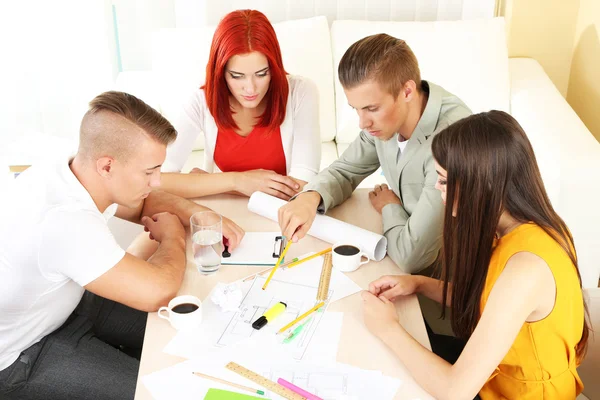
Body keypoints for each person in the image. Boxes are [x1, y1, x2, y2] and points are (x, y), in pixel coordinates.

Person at [0, 91, 242, 399]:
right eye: (149, 172)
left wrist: (196, 213)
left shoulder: (72, 169)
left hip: (71, 303)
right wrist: (173, 235)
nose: (157, 181)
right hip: (21, 356)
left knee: (204, 332)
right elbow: (158, 291)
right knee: (163, 392)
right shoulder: (66, 221)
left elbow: (141, 203)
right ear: (107, 167)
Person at [361, 111, 590, 399]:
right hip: (493, 377)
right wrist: (418, 283)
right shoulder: (519, 230)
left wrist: (387, 328)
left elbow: (454, 390)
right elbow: (488, 300)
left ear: (484, 184)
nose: (436, 187)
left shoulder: (527, 268)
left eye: (443, 180)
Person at [278, 33, 471, 273]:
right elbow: (346, 170)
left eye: (371, 108)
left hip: (446, 274)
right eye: (356, 109)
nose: (362, 123)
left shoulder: (451, 142)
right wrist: (310, 197)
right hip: (398, 253)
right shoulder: (386, 121)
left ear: (407, 91)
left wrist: (390, 207)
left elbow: (413, 257)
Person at [159, 9, 321, 201]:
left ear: (273, 67)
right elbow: (158, 178)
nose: (251, 88)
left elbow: (303, 184)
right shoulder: (200, 101)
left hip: (281, 212)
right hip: (224, 212)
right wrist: (237, 181)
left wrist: (213, 183)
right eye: (237, 76)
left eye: (261, 74)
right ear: (220, 72)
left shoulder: (301, 92)